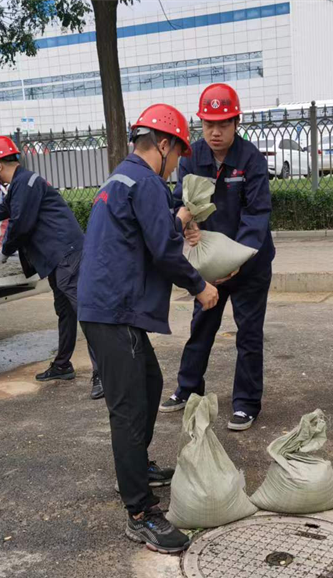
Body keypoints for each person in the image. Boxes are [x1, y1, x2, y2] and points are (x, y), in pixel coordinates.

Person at [78, 104, 219, 554]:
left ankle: (138, 466)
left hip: (110, 306)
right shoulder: (146, 181)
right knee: (129, 404)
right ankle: (139, 512)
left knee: (151, 382)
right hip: (113, 310)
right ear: (163, 145)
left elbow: (148, 231)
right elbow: (161, 248)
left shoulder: (123, 176)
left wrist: (178, 220)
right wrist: (200, 286)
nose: (177, 165)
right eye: (176, 155)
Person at [158, 83, 274, 432]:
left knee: (249, 334)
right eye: (209, 124)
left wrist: (234, 261)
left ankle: (246, 403)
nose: (216, 131)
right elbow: (182, 200)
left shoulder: (251, 160)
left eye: (223, 123)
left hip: (249, 263)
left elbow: (257, 215)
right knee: (201, 327)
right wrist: (188, 223)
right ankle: (188, 388)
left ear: (236, 122)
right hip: (208, 264)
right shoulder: (192, 157)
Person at [0, 136, 104, 399]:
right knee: (66, 312)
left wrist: (4, 251)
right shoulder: (22, 183)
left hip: (66, 255)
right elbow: (6, 209)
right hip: (58, 257)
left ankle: (104, 373)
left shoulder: (25, 183)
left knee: (84, 312)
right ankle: (62, 365)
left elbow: (21, 224)